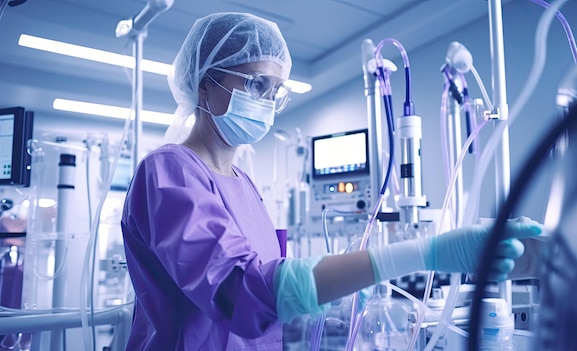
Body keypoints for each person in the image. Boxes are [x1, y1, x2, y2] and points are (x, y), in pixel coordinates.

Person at [120, 12, 543, 350]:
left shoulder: (242, 183)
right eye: (255, 84)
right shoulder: (169, 173)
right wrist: (421, 252)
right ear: (204, 86)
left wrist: (338, 292)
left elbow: (274, 292)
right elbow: (244, 293)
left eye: (275, 90)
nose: (267, 101)